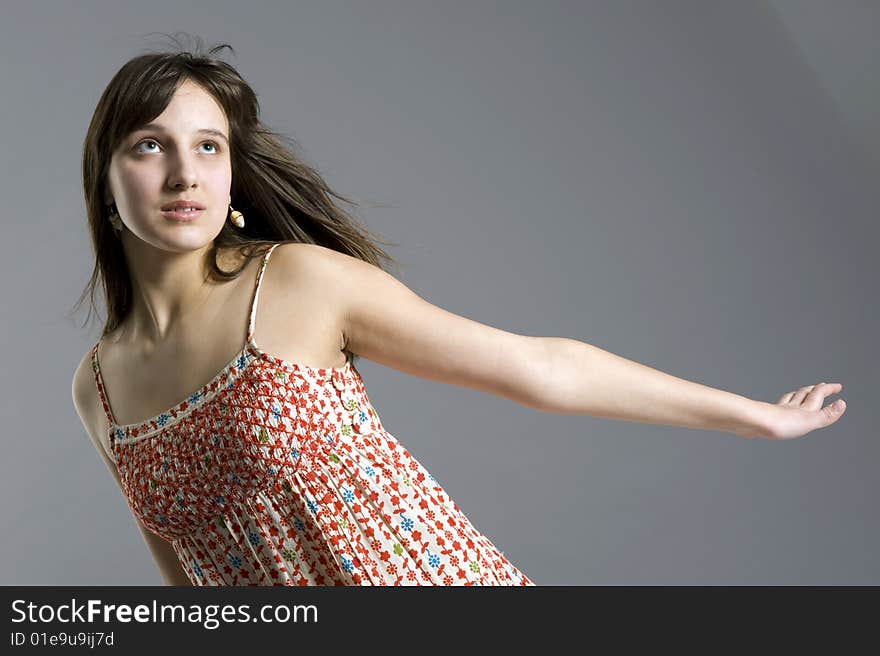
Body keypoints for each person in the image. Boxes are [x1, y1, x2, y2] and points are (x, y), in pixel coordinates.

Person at [70, 36, 847, 586]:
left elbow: (541, 368)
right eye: (149, 145)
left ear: (233, 176)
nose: (184, 173)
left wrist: (754, 416)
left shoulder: (300, 283)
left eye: (208, 147)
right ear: (105, 179)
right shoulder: (99, 388)